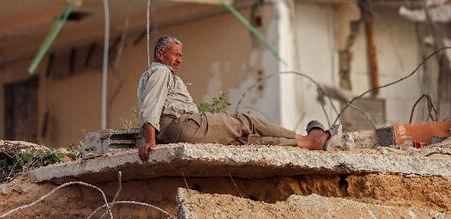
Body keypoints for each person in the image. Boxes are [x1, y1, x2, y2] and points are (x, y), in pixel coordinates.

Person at [137, 35, 339, 162]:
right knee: (246, 122)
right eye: (175, 55)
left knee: (248, 140)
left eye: (181, 55)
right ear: (160, 54)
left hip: (179, 132)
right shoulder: (160, 72)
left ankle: (309, 144)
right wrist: (149, 140)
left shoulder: (150, 77)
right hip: (184, 127)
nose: (179, 59)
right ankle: (308, 139)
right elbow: (151, 106)